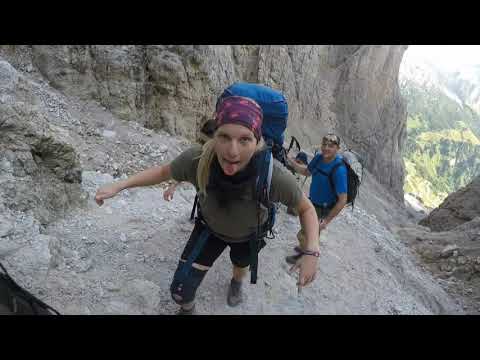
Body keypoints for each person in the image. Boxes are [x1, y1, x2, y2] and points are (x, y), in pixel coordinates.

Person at [95, 96, 320, 315]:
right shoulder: (198, 160)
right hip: (209, 230)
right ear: (214, 136)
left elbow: (306, 208)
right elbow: (164, 172)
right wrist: (122, 184)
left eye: (244, 139)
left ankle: (236, 281)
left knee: (240, 265)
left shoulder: (274, 176)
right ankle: (187, 308)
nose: (232, 151)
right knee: (180, 291)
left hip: (250, 235)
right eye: (224, 137)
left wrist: (311, 251)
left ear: (257, 140)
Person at [285, 133, 348, 265]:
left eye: (330, 146)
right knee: (307, 231)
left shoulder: (339, 170)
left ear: (338, 148)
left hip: (324, 208)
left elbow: (342, 200)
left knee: (307, 233)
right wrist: (290, 161)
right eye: (324, 145)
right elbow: (307, 172)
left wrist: (326, 221)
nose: (326, 148)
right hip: (312, 202)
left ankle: (304, 260)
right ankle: (304, 251)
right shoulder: (319, 158)